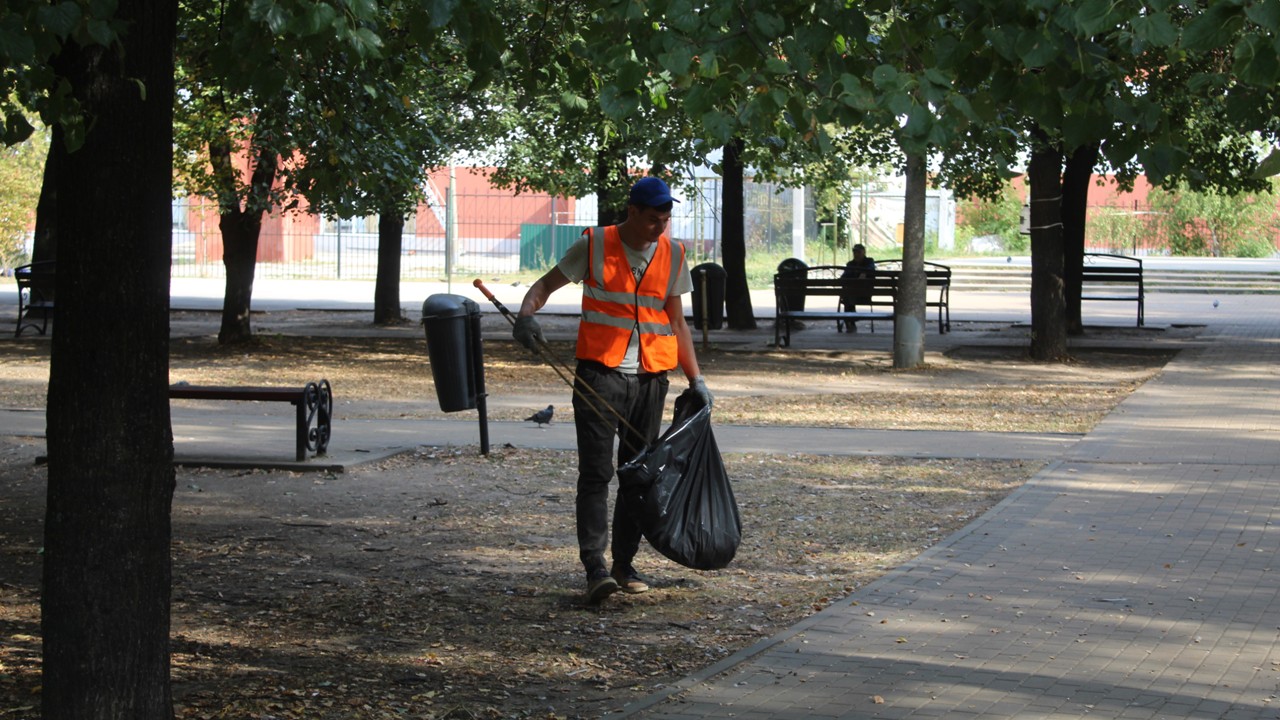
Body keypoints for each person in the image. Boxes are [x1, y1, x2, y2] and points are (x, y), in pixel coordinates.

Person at [512, 176, 713, 604]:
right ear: (633, 212)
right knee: (596, 472)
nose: (660, 227)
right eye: (654, 219)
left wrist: (696, 380)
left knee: (637, 475)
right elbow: (544, 286)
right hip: (599, 378)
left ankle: (624, 562)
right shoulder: (596, 244)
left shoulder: (673, 253)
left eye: (666, 219)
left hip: (650, 379)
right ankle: (595, 567)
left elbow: (678, 324)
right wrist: (526, 315)